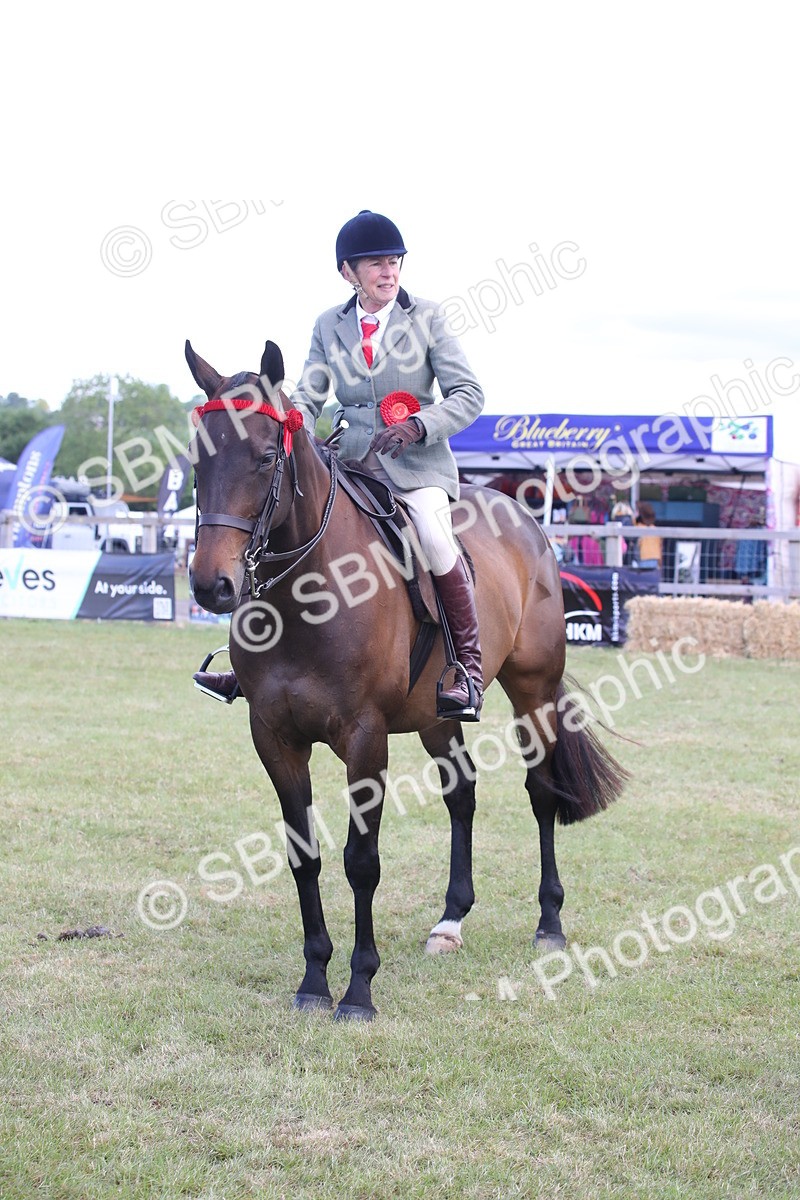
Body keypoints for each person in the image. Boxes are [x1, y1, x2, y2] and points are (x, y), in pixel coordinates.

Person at [194, 210, 486, 720]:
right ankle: (248, 665)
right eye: (376, 263)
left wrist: (420, 424)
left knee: (437, 540)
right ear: (348, 272)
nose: (389, 271)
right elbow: (310, 392)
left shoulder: (430, 318)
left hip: (416, 466)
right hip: (349, 461)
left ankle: (467, 668)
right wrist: (287, 421)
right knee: (275, 534)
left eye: (394, 261)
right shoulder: (329, 324)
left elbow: (469, 394)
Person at [633, 500, 663, 568]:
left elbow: (634, 521)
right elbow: (660, 546)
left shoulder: (639, 527)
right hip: (655, 557)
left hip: (643, 557)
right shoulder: (656, 530)